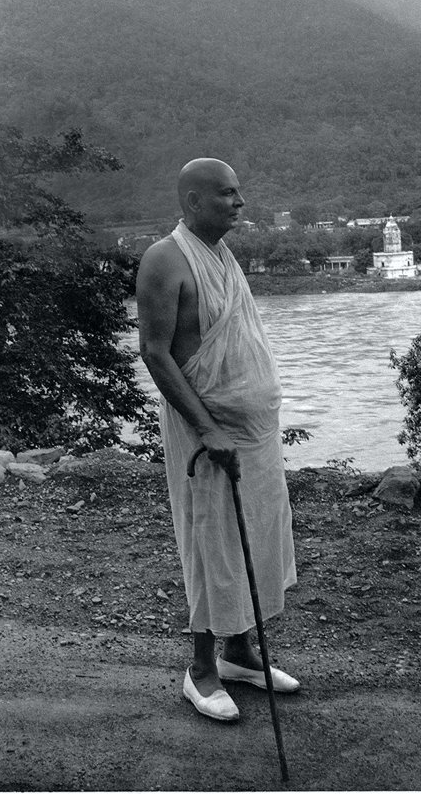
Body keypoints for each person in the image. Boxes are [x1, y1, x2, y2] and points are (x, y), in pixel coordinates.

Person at [136, 157, 298, 722]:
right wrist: (207, 427)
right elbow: (155, 351)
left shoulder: (223, 256)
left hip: (254, 434)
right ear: (193, 202)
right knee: (212, 543)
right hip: (205, 432)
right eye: (227, 193)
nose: (239, 202)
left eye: (238, 192)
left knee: (255, 536)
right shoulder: (165, 259)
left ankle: (239, 653)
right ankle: (201, 670)